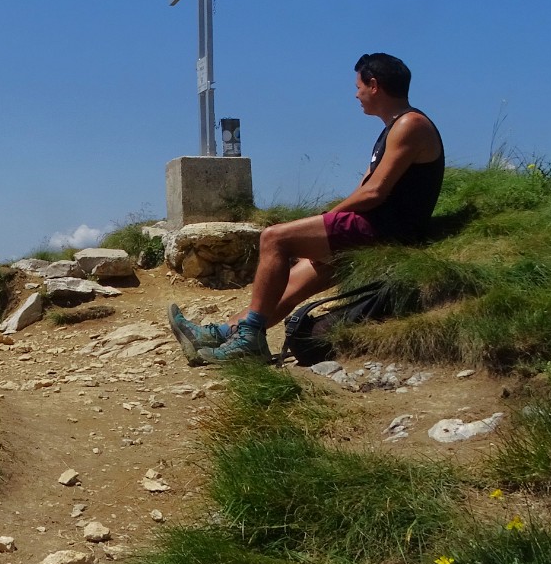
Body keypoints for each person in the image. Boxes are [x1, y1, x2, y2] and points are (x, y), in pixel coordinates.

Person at [168, 52, 445, 364]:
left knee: (273, 238)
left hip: (387, 231)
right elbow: (367, 187)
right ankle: (220, 333)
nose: (356, 94)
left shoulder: (411, 124)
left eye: (358, 87)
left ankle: (249, 342)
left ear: (375, 85)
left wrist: (327, 219)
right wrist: (321, 229)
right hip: (379, 226)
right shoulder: (392, 128)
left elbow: (376, 193)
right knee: (298, 277)